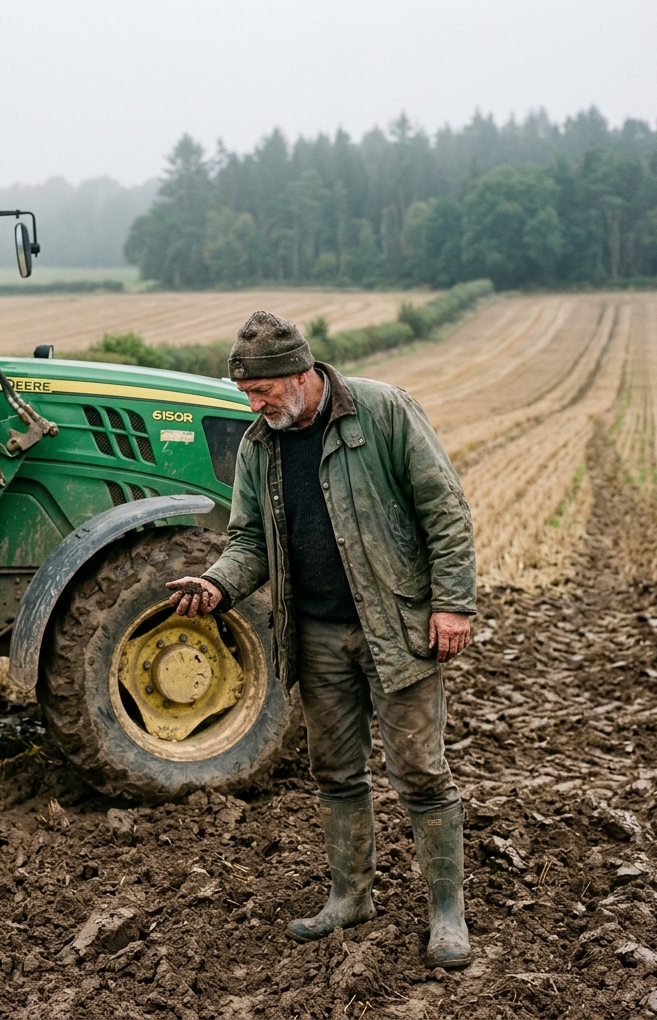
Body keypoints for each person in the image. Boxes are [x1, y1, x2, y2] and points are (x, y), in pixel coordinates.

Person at [166, 311, 476, 968]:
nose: (255, 404)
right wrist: (219, 584)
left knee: (420, 771)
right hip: (316, 633)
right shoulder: (260, 445)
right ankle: (350, 897)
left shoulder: (384, 412)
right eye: (247, 393)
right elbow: (249, 540)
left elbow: (443, 509)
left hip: (394, 625)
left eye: (264, 391)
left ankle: (446, 912)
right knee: (335, 773)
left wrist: (452, 604)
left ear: (301, 373)